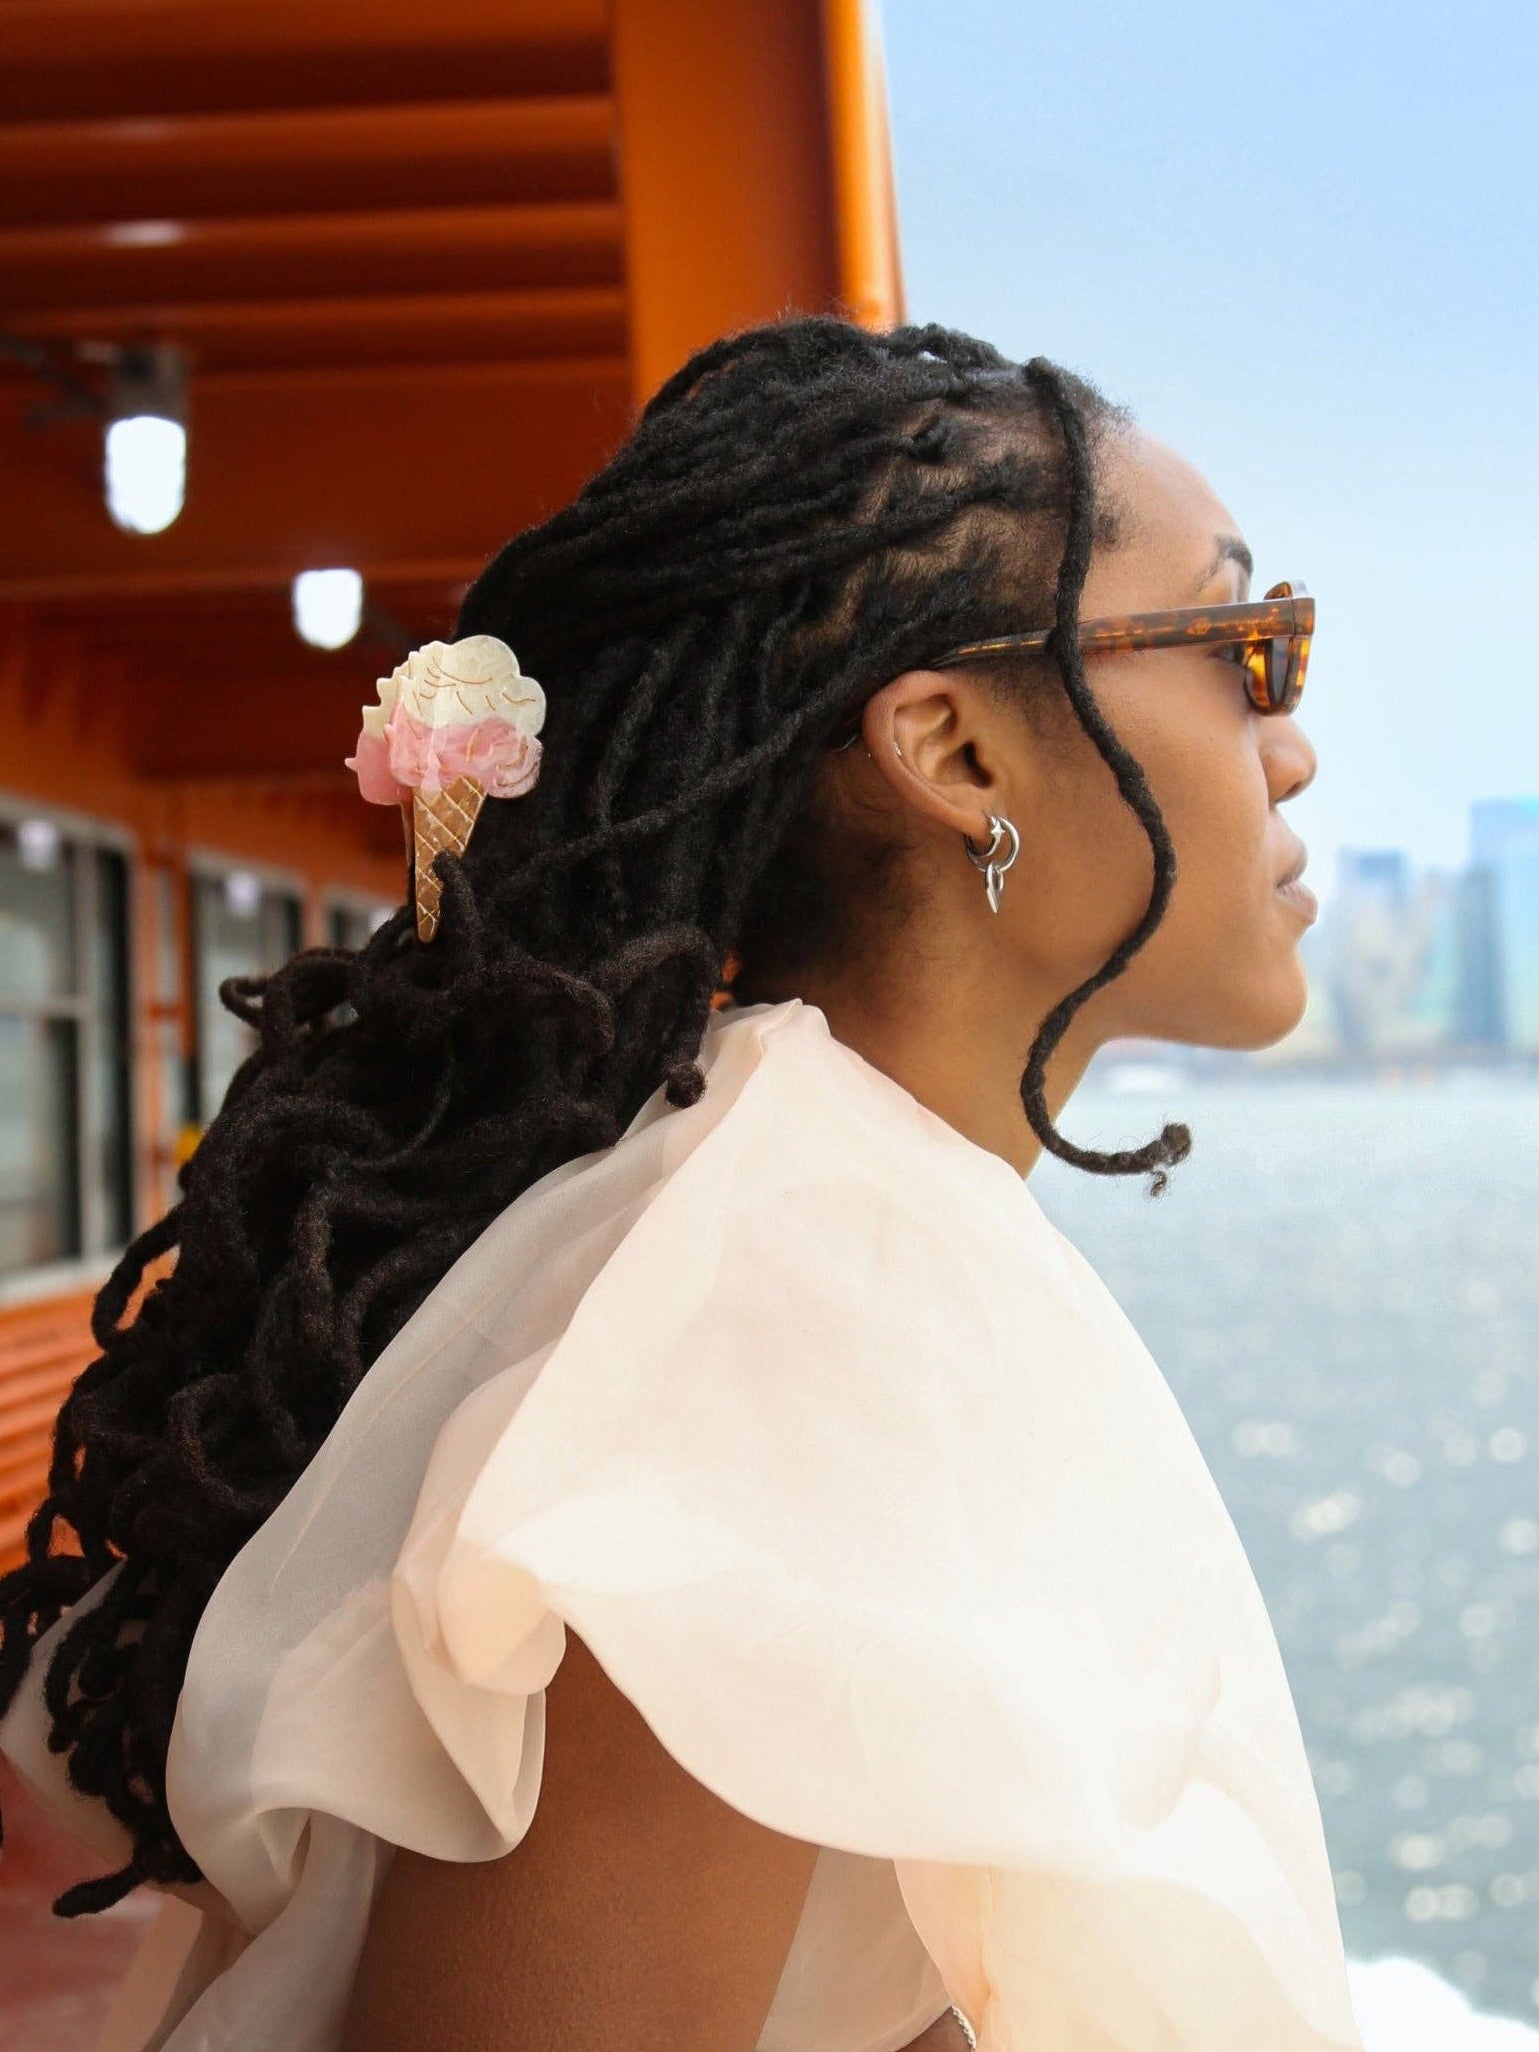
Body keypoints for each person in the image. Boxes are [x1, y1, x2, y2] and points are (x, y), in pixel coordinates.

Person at [0, 318, 1357, 2052]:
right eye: (1251, 643)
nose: (1292, 744)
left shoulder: (829, 1234)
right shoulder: (792, 1312)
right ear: (956, 753)